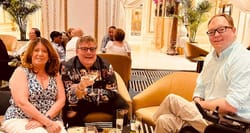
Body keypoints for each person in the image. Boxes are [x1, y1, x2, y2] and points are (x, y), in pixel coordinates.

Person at [153, 14, 250, 133]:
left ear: (233, 30)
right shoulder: (210, 57)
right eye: (211, 32)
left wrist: (201, 105)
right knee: (164, 121)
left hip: (230, 123)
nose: (216, 35)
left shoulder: (243, 58)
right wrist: (197, 99)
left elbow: (231, 105)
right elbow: (201, 87)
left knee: (172, 99)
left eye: (221, 29)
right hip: (206, 115)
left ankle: (138, 123)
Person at [61, 35, 129, 127]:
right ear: (77, 51)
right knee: (71, 110)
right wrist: (80, 87)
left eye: (92, 49)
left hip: (103, 101)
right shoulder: (68, 67)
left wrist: (84, 91)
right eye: (84, 49)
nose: (89, 52)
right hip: (81, 103)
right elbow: (69, 94)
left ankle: (116, 130)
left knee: (122, 106)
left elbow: (113, 91)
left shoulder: (105, 65)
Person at [2, 38, 67, 133]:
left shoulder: (55, 74)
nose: (40, 54)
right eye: (36, 50)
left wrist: (45, 120)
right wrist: (46, 122)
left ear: (49, 56)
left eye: (44, 51)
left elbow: (61, 100)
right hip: (21, 117)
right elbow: (22, 102)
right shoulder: (21, 72)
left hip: (51, 118)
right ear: (30, 54)